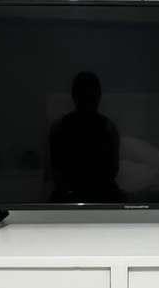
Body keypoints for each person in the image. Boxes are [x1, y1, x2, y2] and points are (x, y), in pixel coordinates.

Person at [49, 71, 122, 202]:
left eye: (91, 97)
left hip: (98, 192)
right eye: (85, 97)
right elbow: (55, 170)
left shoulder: (108, 127)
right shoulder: (60, 127)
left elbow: (112, 170)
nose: (88, 101)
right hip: (77, 193)